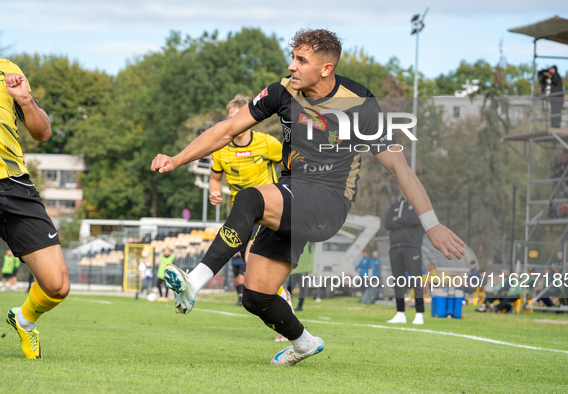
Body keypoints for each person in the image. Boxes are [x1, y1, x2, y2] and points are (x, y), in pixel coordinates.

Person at [151, 28, 464, 366]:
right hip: (291, 195)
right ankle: (304, 343)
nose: (291, 67)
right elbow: (227, 130)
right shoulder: (282, 92)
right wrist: (176, 158)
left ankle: (194, 281)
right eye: (293, 58)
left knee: (249, 199)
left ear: (326, 68)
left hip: (328, 203)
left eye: (301, 60)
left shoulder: (358, 103)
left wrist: (430, 223)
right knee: (256, 296)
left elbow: (399, 167)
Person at [2, 61, 70, 359]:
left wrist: (25, 100)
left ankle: (25, 320)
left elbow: (42, 133)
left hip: (14, 186)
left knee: (57, 286)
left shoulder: (7, 70)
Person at [208, 95, 292, 310]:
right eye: (230, 118)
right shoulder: (220, 149)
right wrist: (214, 192)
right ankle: (282, 297)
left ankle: (282, 303)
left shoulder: (267, 143)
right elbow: (215, 178)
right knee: (251, 264)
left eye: (239, 117)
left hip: (266, 212)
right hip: (240, 214)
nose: (235, 123)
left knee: (251, 257)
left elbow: (291, 165)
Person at [384, 192, 426, 325]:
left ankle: (419, 314)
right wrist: (403, 221)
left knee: (415, 279)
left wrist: (398, 219)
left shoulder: (419, 206)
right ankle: (400, 313)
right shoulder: (395, 206)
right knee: (398, 281)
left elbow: (415, 219)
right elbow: (387, 223)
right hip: (395, 247)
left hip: (412, 246)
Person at [288, 242, 314, 312]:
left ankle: (300, 306)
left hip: (303, 270)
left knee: (302, 289)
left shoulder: (309, 243)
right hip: (294, 270)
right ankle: (288, 304)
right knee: (289, 288)